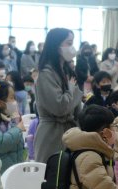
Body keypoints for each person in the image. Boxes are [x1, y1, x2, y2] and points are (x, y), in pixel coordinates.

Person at [34, 28, 82, 163]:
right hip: (51, 134)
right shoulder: (46, 74)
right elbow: (59, 107)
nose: (72, 48)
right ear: (56, 45)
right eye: (69, 43)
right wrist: (71, 90)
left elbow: (74, 105)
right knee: (52, 172)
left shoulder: (65, 70)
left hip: (70, 131)